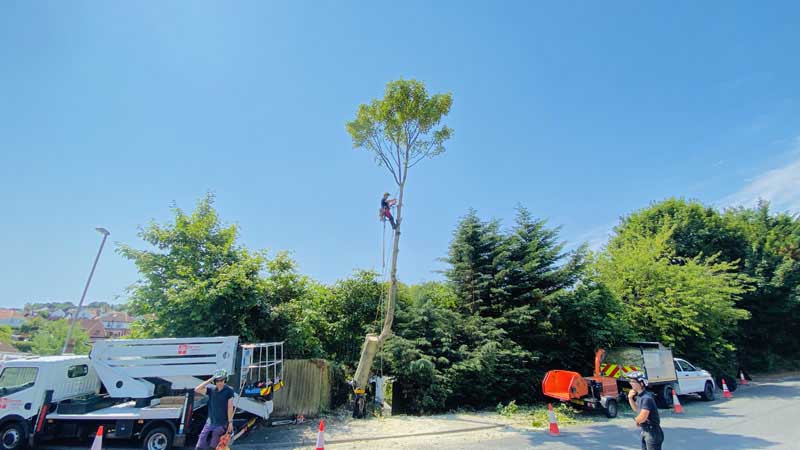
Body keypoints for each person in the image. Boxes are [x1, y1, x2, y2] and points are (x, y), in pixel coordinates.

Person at [194, 368, 235, 450]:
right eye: (217, 381)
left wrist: (230, 423)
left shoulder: (229, 391)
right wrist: (211, 378)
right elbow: (197, 389)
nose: (219, 383)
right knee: (200, 443)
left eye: (222, 380)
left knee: (214, 445)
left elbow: (230, 408)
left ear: (225, 380)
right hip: (210, 422)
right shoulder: (211, 390)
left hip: (221, 423)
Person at [626, 371, 664, 450]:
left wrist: (637, 420)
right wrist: (630, 398)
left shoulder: (646, 398)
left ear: (641, 383)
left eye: (633, 382)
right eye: (630, 381)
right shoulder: (640, 396)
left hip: (652, 433)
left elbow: (643, 416)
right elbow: (637, 409)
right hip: (646, 431)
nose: (631, 383)